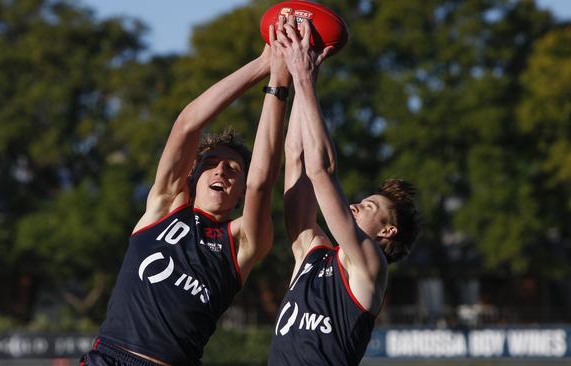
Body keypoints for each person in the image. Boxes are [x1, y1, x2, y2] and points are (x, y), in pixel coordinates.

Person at [80, 25, 292, 366]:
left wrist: (279, 84)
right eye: (212, 163)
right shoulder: (163, 206)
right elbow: (187, 125)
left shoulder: (242, 243)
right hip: (108, 357)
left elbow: (262, 184)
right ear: (192, 176)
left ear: (240, 193)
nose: (221, 171)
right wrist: (264, 63)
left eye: (233, 169)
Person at [267, 16, 420, 365]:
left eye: (369, 205)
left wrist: (303, 76)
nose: (355, 205)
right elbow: (297, 158)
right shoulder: (312, 251)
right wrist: (305, 67)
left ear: (388, 230)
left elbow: (321, 171)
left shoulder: (370, 265)